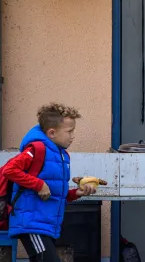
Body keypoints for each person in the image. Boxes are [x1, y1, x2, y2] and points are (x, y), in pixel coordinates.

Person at [4, 102, 97, 262]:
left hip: (46, 224)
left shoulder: (61, 156)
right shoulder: (36, 150)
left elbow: (55, 194)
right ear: (52, 133)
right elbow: (9, 170)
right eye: (69, 131)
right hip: (32, 223)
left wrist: (76, 193)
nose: (73, 136)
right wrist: (38, 184)